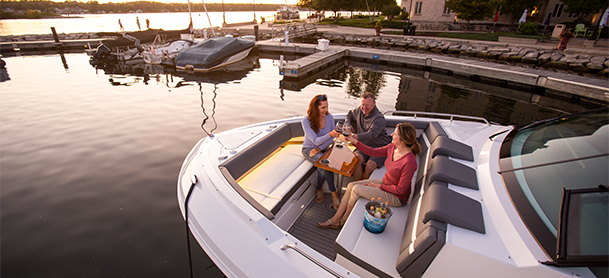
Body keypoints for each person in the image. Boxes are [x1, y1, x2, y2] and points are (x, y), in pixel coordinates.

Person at [318, 123, 420, 229]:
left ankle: (343, 221)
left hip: (397, 197)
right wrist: (355, 142)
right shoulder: (393, 147)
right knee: (350, 185)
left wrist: (378, 186)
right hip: (387, 184)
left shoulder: (409, 161)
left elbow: (401, 190)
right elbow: (372, 152)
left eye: (396, 134)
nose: (392, 134)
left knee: (356, 189)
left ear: (403, 140)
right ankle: (336, 218)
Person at [301, 94, 341, 208]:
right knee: (325, 165)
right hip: (308, 149)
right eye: (323, 108)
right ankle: (334, 194)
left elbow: (333, 138)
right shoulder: (306, 120)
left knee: (323, 165)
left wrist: (321, 147)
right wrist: (329, 134)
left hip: (323, 149)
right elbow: (314, 140)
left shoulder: (330, 117)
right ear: (315, 107)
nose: (326, 110)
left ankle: (319, 188)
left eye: (327, 106)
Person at [345, 92, 391, 181]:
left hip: (379, 146)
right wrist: (348, 125)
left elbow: (372, 134)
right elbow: (349, 114)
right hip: (364, 145)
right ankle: (357, 186)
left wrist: (356, 137)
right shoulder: (359, 110)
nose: (364, 108)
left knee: (370, 166)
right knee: (356, 161)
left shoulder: (379, 118)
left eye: (367, 105)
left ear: (374, 103)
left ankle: (362, 187)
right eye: (362, 105)